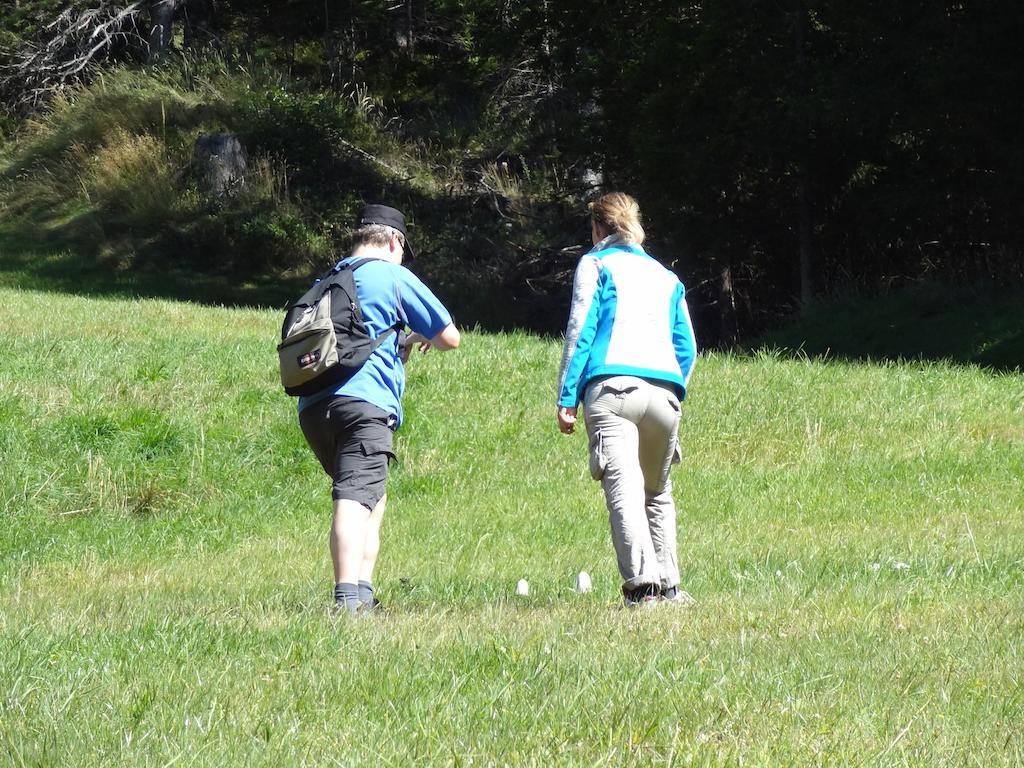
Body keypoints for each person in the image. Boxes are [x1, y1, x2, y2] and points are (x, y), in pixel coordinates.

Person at [298, 204, 460, 615]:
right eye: (403, 250)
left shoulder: (328, 279)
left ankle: (363, 594)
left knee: (371, 495)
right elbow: (449, 337)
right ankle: (347, 601)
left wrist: (401, 340)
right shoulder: (391, 274)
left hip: (314, 407)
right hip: (365, 403)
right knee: (354, 498)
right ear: (394, 241)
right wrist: (422, 335)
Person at [556, 192, 697, 607]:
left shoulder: (595, 263)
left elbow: (581, 329)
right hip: (665, 396)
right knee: (658, 491)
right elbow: (687, 346)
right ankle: (671, 587)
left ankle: (642, 590)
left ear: (598, 228)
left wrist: (568, 396)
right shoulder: (667, 277)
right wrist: (673, 388)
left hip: (613, 389)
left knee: (625, 489)